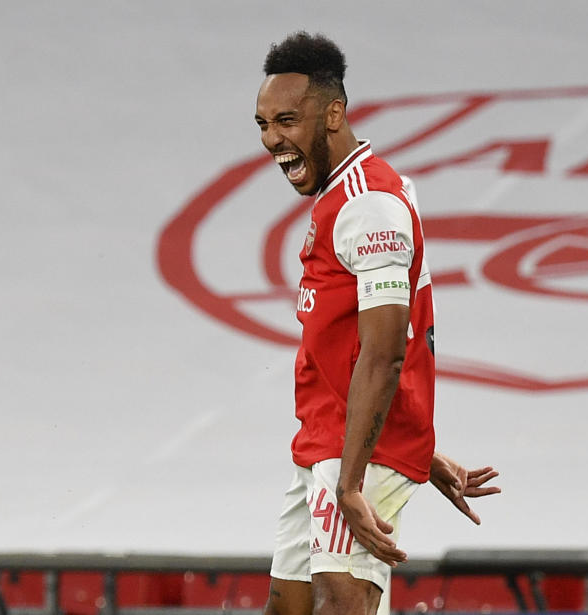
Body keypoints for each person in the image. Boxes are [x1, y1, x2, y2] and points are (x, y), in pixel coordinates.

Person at [255, 32, 501, 615]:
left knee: (341, 604)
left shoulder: (371, 208)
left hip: (354, 456)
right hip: (328, 441)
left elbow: (387, 353)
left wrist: (356, 479)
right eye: (262, 123)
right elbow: (350, 348)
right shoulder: (343, 197)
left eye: (286, 120)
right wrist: (424, 452)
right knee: (287, 608)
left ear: (333, 113)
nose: (272, 140)